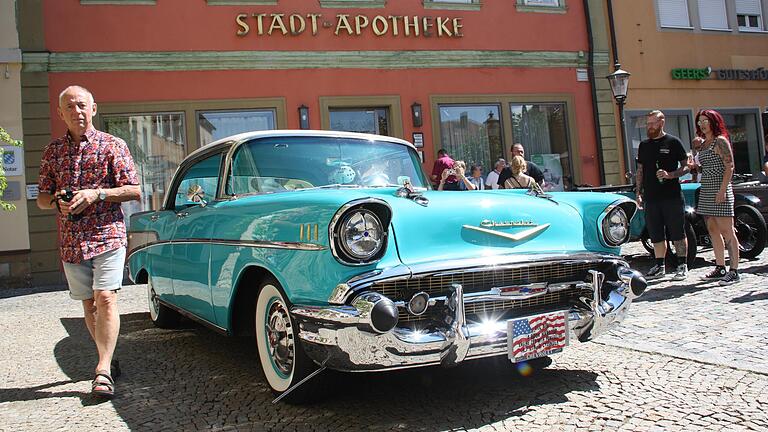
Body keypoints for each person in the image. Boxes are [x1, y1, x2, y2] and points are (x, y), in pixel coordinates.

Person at [36, 85, 141, 399]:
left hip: (108, 234)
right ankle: (106, 356)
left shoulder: (113, 145)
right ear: (61, 113)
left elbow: (134, 190)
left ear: (94, 108)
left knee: (105, 297)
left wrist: (98, 193)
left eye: (81, 105)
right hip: (72, 239)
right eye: (70, 106)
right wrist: (57, 200)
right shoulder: (52, 152)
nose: (76, 111)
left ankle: (103, 370)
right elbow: (41, 198)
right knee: (89, 304)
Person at [636, 110, 690, 281]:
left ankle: (682, 265)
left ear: (661, 123)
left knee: (677, 232)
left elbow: (687, 166)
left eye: (652, 123)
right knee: (655, 233)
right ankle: (660, 265)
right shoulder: (644, 145)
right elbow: (640, 170)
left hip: (672, 195)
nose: (649, 127)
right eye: (648, 124)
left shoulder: (673, 142)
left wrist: (671, 174)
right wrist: (638, 192)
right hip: (651, 197)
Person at [694, 109, 739, 285]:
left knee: (728, 231)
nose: (702, 124)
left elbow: (730, 167)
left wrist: (722, 191)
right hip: (707, 189)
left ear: (713, 121)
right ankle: (720, 266)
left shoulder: (720, 141)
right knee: (712, 229)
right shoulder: (704, 144)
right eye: (700, 121)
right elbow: (701, 168)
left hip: (720, 189)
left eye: (705, 120)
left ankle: (734, 270)